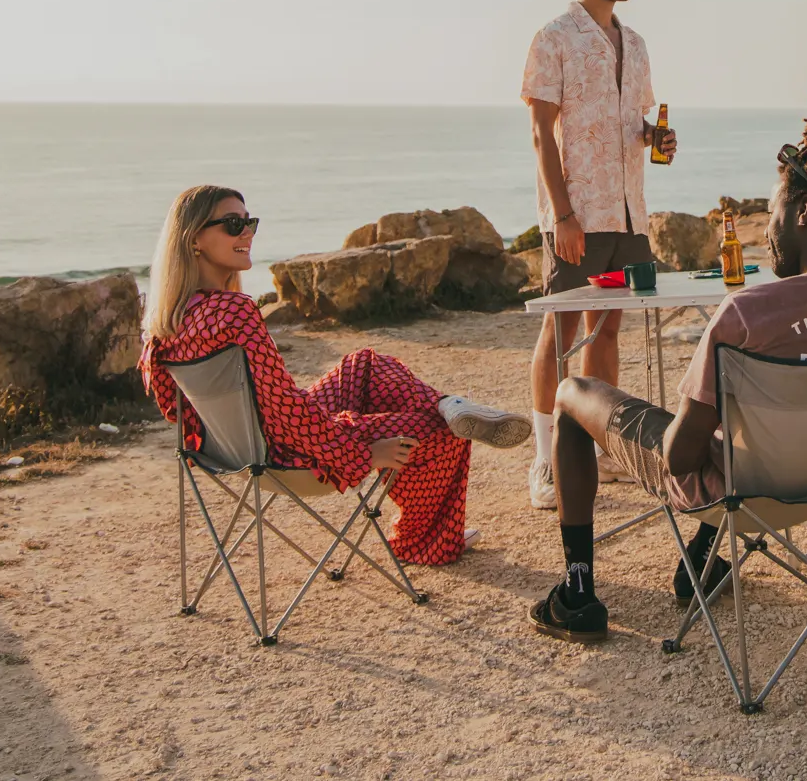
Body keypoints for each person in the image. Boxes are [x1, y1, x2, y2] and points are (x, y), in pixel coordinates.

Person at [530, 78, 807, 642]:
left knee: (575, 393)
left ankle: (576, 594)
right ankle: (702, 561)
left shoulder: (747, 314)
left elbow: (681, 459)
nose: (763, 228)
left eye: (772, 210)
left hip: (747, 493)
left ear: (804, 211)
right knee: (752, 433)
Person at [139, 184, 530, 567]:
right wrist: (361, 453)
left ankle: (449, 404)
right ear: (194, 239)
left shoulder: (166, 326)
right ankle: (421, 540)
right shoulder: (234, 312)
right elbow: (285, 414)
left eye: (250, 222)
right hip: (288, 456)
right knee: (441, 431)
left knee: (363, 365)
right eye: (231, 224)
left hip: (234, 452)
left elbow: (180, 413)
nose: (247, 234)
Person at [520, 0, 676, 511]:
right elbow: (542, 133)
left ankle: (599, 446)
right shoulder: (554, 37)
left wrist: (656, 136)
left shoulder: (634, 43)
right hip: (577, 213)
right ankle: (544, 459)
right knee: (560, 333)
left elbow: (634, 121)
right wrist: (562, 215)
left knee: (608, 329)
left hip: (630, 212)